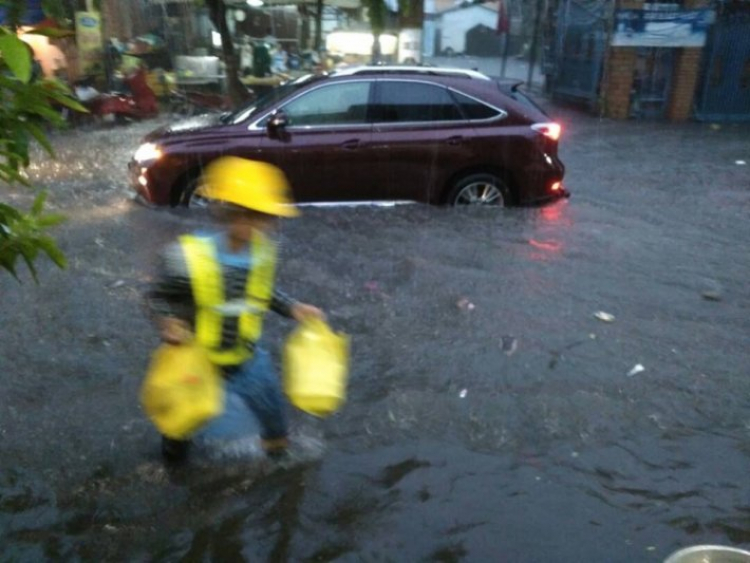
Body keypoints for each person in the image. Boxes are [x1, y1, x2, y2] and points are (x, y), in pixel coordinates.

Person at [147, 157, 324, 463]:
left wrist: (293, 308)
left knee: (273, 415)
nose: (263, 226)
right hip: (198, 360)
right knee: (180, 421)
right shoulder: (187, 258)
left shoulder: (262, 253)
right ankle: (173, 465)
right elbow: (157, 296)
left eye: (266, 219)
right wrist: (167, 321)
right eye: (256, 217)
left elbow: (261, 291)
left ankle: (279, 458)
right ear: (230, 214)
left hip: (246, 358)